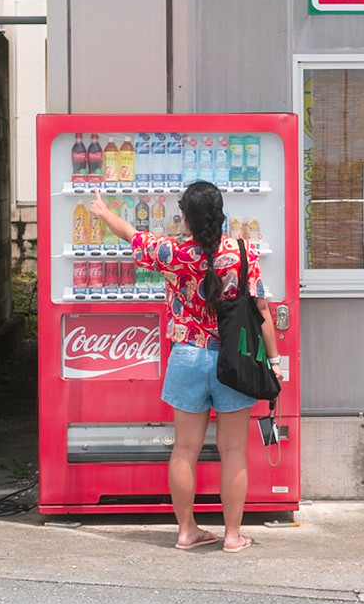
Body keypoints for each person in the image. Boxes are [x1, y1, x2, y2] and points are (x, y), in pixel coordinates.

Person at [86, 180, 279, 553]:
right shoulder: (242, 252)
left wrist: (104, 211)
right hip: (232, 360)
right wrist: (274, 361)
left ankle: (187, 531)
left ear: (187, 220)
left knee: (184, 450)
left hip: (187, 356)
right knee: (234, 450)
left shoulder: (173, 252)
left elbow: (132, 235)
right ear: (220, 215)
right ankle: (233, 535)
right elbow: (263, 312)